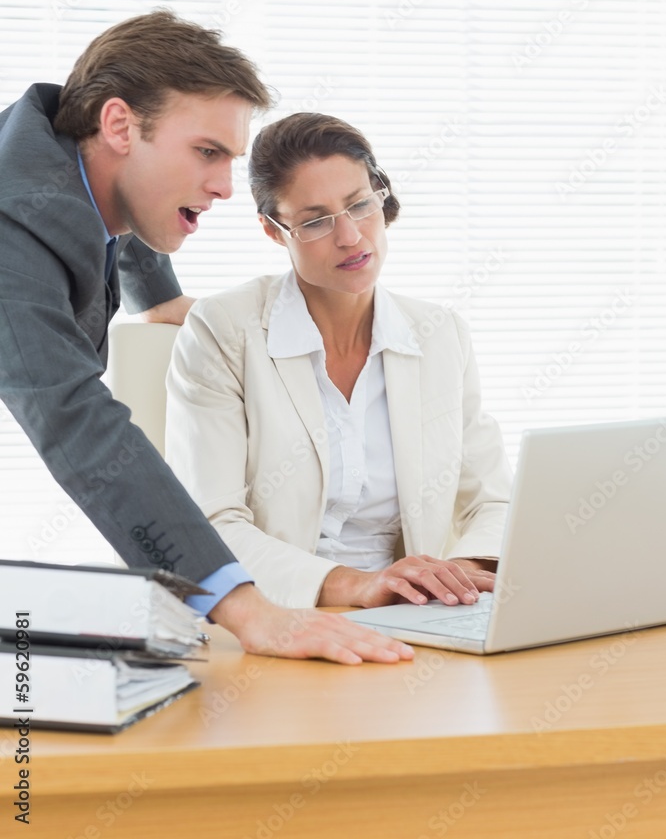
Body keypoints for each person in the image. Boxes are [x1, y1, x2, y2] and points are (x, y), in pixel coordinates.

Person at [0, 12, 415, 666]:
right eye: (207, 152)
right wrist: (249, 611)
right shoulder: (10, 228)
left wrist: (156, 294)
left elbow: (112, 196)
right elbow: (76, 424)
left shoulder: (60, 153)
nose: (226, 185)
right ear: (117, 124)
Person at [165, 112, 513, 609]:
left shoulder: (439, 334)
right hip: (273, 612)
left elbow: (494, 500)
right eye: (315, 221)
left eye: (360, 205)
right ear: (272, 229)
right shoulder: (223, 330)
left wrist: (456, 573)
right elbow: (210, 522)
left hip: (411, 613)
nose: (350, 236)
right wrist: (355, 585)